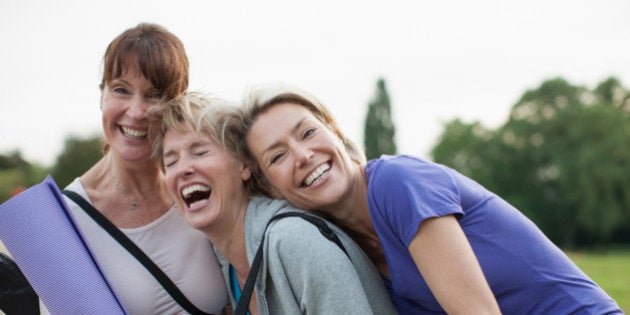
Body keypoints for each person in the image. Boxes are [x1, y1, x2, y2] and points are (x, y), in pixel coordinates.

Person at [237, 82, 623, 314]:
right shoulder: (342, 245)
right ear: (270, 186)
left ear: (335, 132)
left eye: (307, 133)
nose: (303, 156)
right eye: (278, 155)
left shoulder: (398, 183)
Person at [147, 92, 397, 314]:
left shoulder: (295, 242)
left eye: (199, 152)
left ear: (244, 164)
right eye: (170, 162)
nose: (183, 169)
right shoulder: (227, 264)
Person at [62, 23, 228, 314]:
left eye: (154, 95)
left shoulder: (201, 189)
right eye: (121, 90)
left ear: (178, 103)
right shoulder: (61, 219)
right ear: (102, 95)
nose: (137, 112)